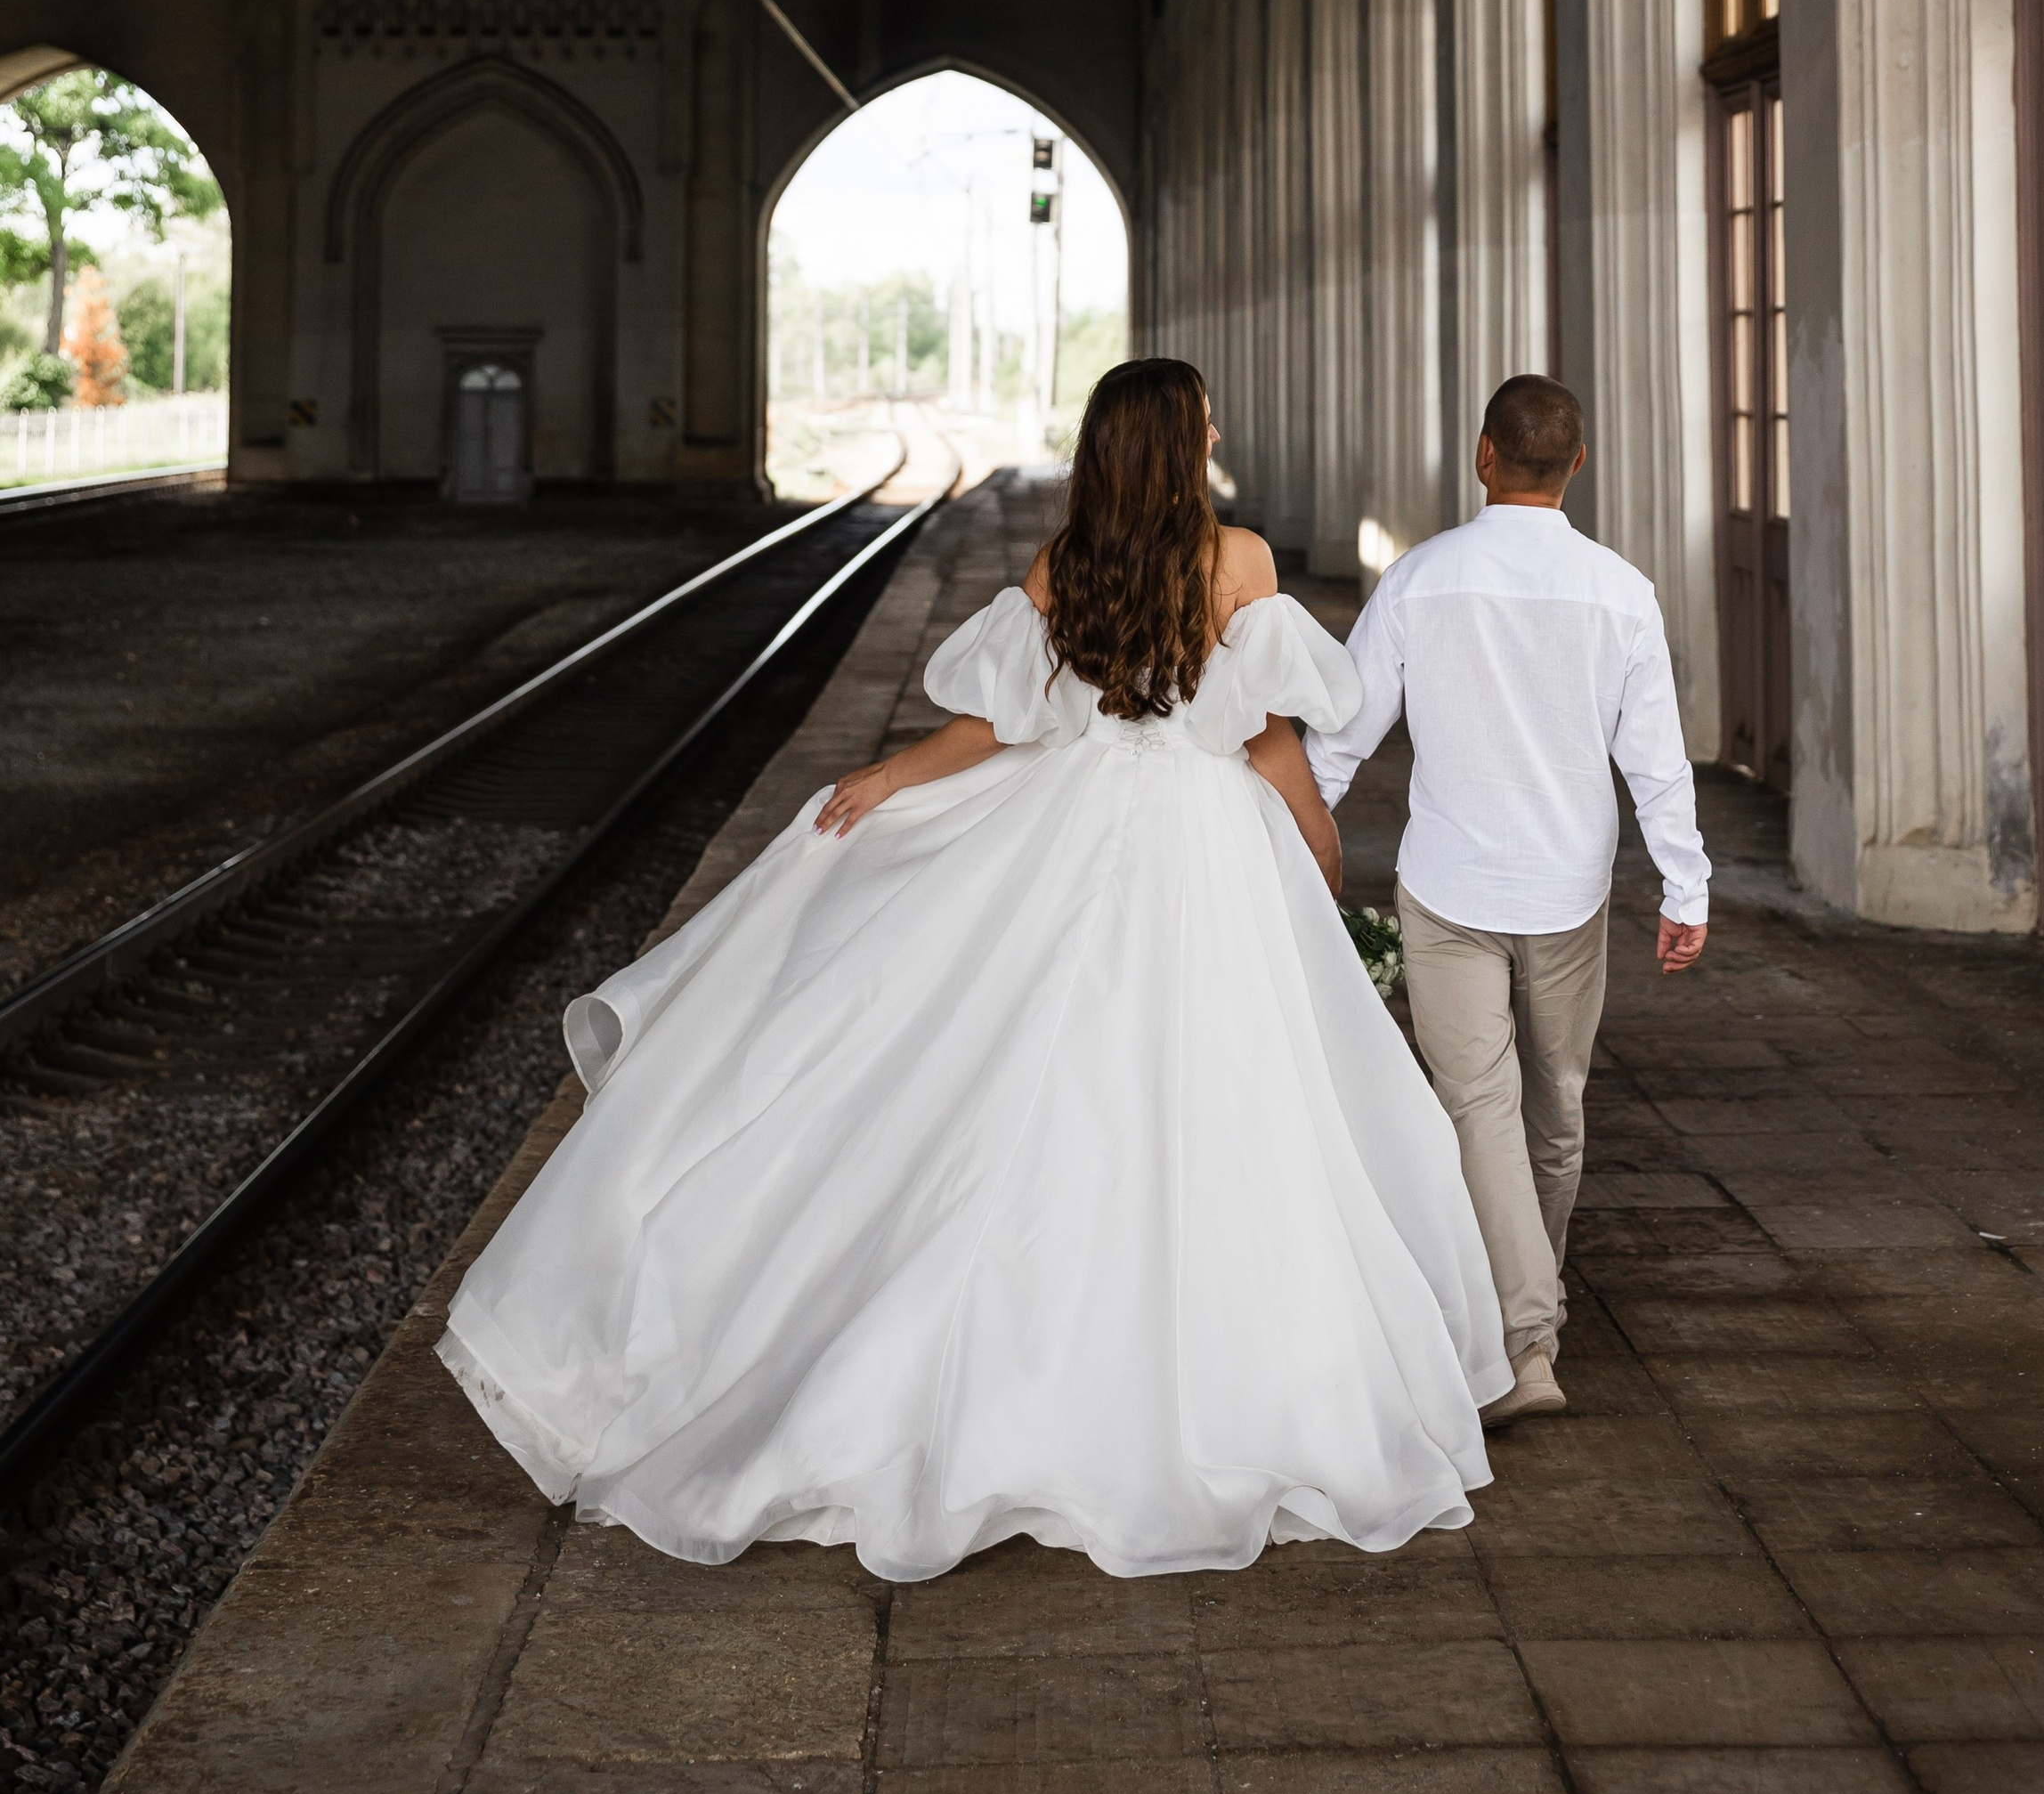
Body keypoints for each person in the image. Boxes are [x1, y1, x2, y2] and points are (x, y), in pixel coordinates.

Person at [438, 357, 1509, 1580]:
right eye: (1204, 416)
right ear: (1178, 441)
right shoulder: (1241, 562)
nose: (1217, 425)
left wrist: (894, 775)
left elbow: (1002, 725)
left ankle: (972, 1369)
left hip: (1071, 823)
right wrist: (1321, 872)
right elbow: (1270, 747)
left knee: (1015, 1076)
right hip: (1207, 848)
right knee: (1227, 1103)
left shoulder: (1066, 564)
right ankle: (1196, 1384)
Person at [1306, 374, 1710, 1424]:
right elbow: (1655, 759)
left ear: (1483, 455)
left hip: (1447, 883)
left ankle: (1518, 1329)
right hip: (1567, 887)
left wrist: (1292, 838)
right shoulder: (1621, 591)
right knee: (1552, 1107)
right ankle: (1531, 1331)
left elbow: (1344, 736)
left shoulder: (1419, 581)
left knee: (1477, 1107)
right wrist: (1686, 884)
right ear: (1577, 465)